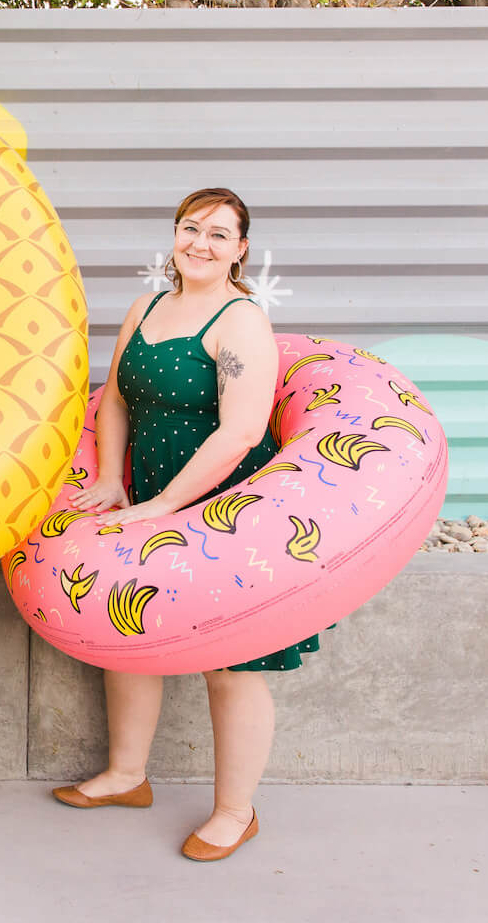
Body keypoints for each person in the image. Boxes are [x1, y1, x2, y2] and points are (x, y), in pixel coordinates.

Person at [55, 186, 315, 863]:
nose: (201, 242)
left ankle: (236, 812)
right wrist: (114, 480)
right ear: (174, 235)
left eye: (219, 234)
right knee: (131, 631)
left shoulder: (241, 322)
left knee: (231, 662)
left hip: (222, 504)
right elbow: (113, 398)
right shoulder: (148, 306)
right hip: (145, 490)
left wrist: (167, 504)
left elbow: (240, 433)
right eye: (190, 228)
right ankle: (125, 775)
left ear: (241, 250)